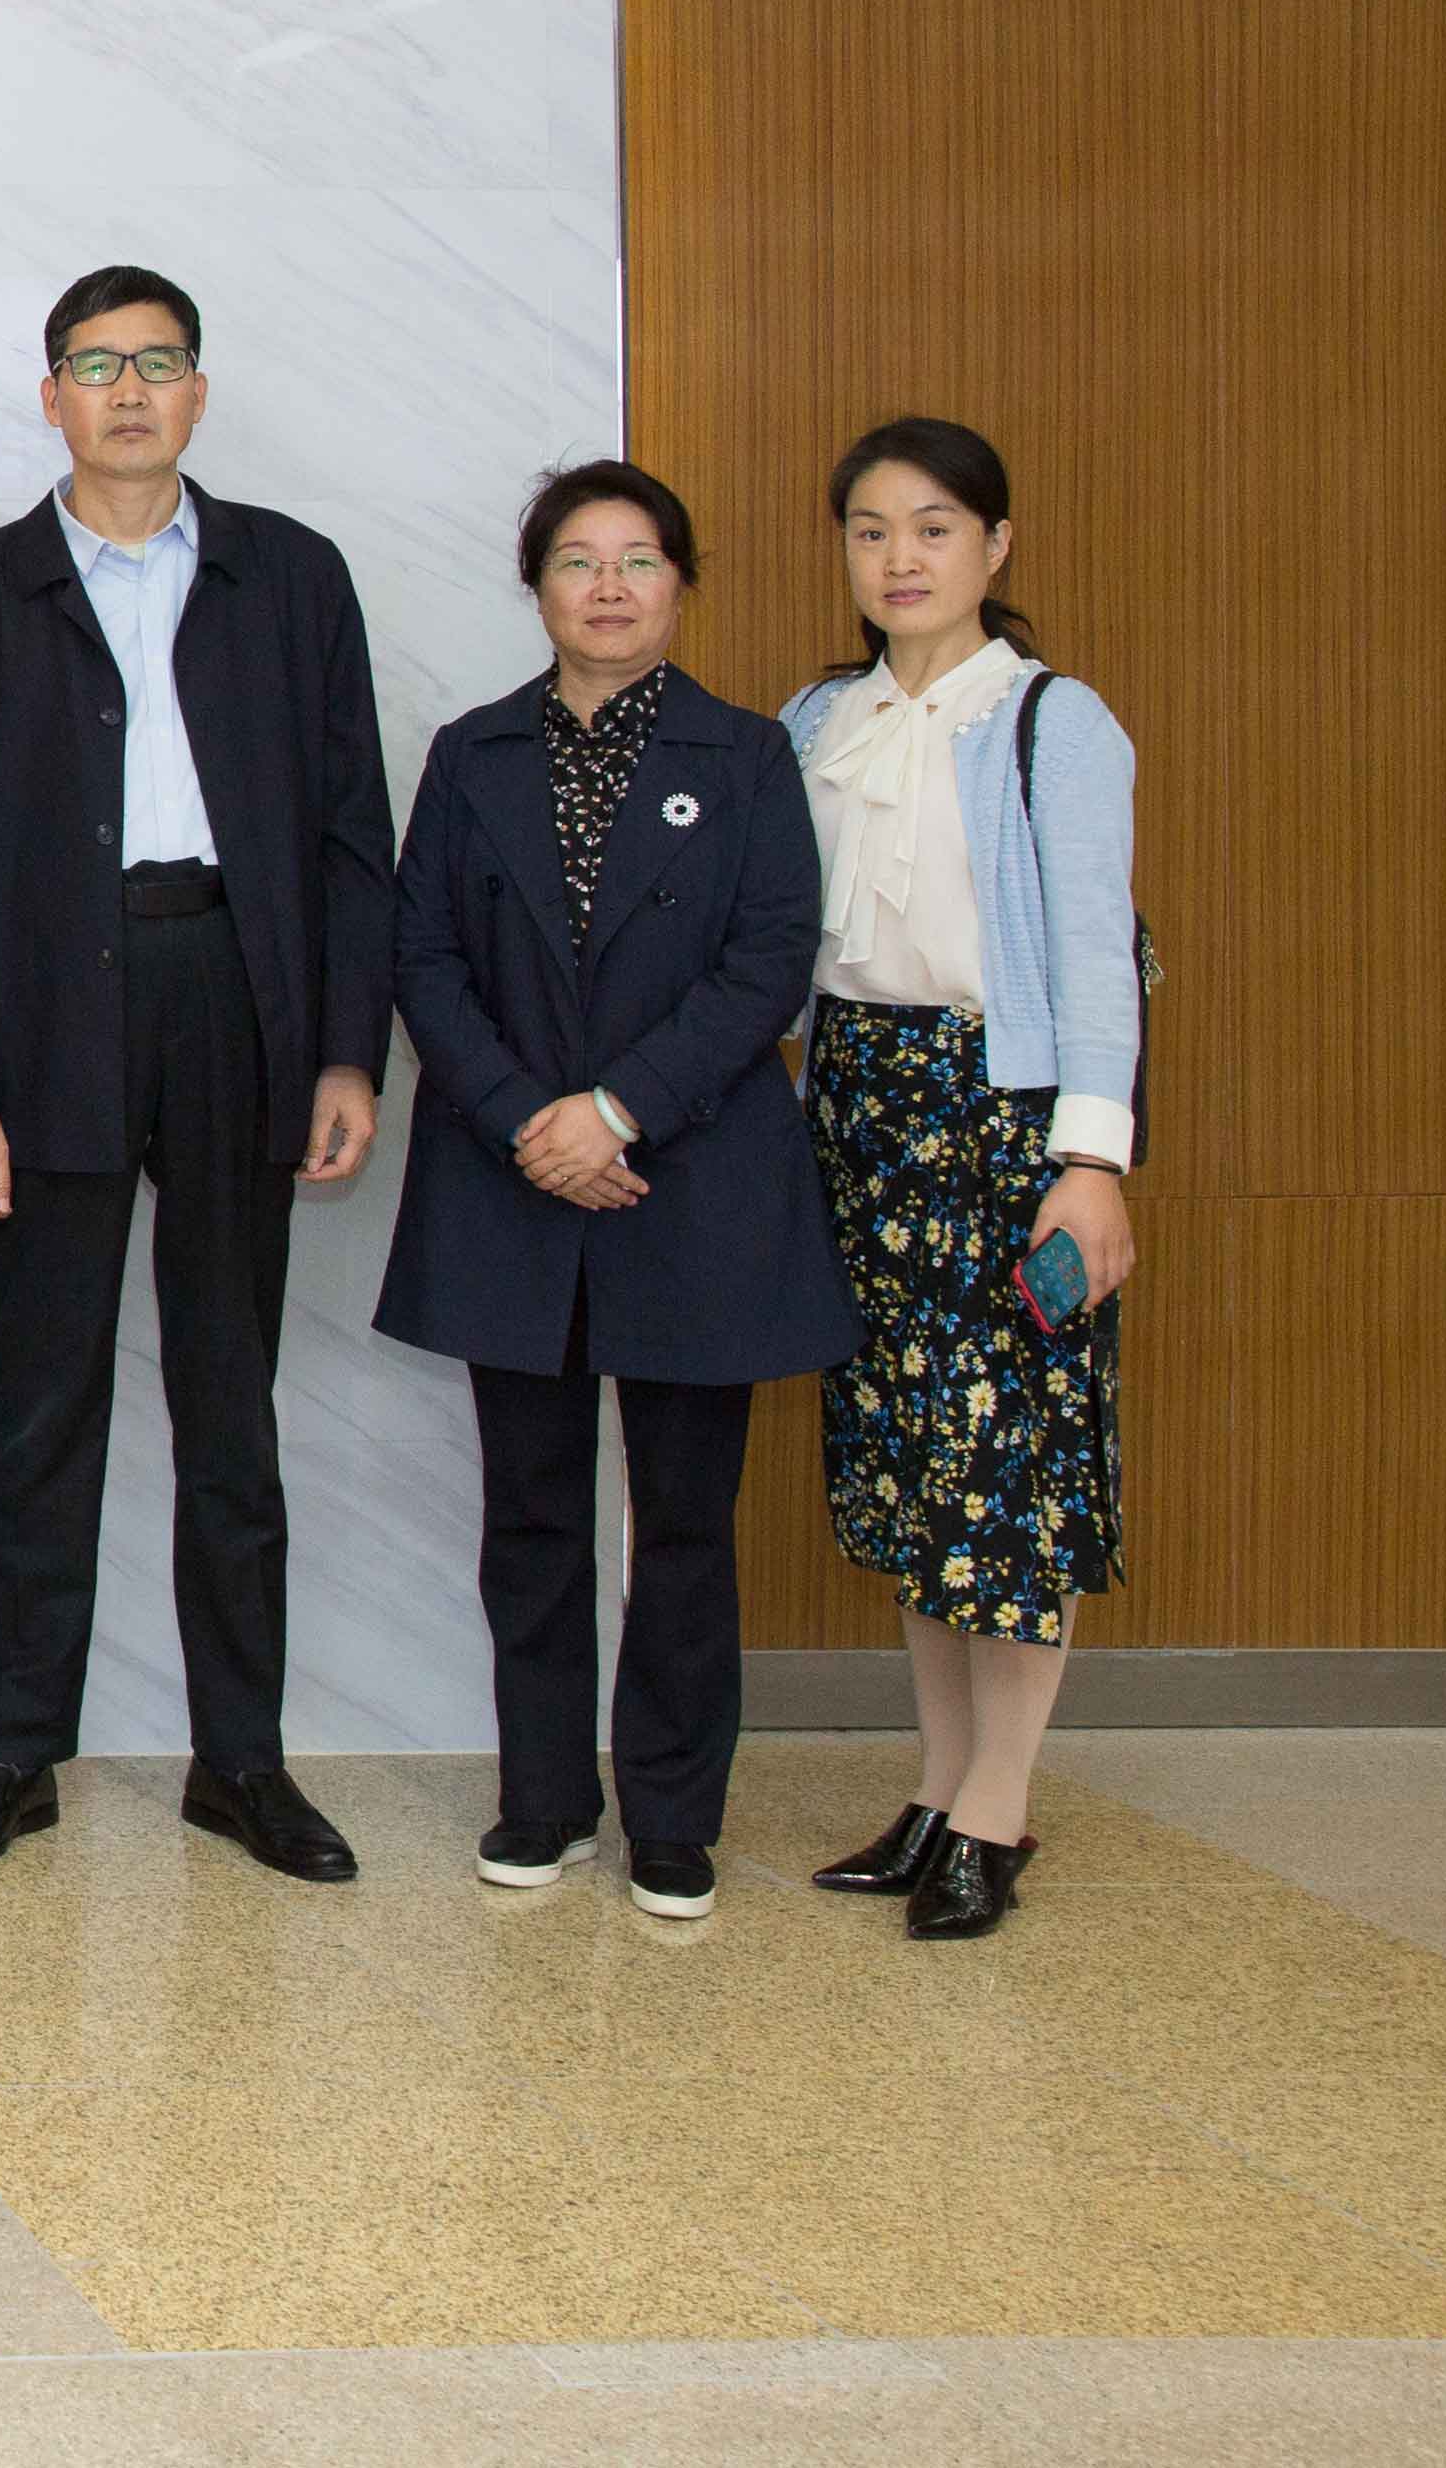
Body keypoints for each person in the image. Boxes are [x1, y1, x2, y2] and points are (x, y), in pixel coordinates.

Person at [0, 263, 396, 1884]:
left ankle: (239, 1761)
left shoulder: (290, 578)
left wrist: (342, 1047)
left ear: (199, 393)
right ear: (48, 396)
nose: (126, 391)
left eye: (157, 363)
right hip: (48, 1009)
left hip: (234, 1000)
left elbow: (346, 834)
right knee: (36, 1400)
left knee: (225, 1398)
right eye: (93, 364)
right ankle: (10, 1753)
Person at [375, 462, 852, 1919]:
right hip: (512, 1178)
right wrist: (533, 1118)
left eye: (637, 560)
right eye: (575, 560)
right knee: (527, 1516)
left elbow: (768, 960)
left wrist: (619, 1108)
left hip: (687, 1177)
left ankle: (671, 1812)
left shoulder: (749, 754)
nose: (605, 586)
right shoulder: (471, 755)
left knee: (685, 1523)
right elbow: (424, 964)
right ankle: (540, 1797)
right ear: (535, 587)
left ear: (679, 584)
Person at [781, 417, 1140, 1943]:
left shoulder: (1053, 722)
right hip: (852, 1113)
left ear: (993, 547)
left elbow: (1097, 960)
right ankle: (934, 1790)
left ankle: (1000, 1808)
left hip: (1000, 1124)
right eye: (870, 530)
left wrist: (1090, 1161)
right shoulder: (811, 718)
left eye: (933, 528)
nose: (900, 559)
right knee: (912, 1472)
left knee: (1013, 1478)